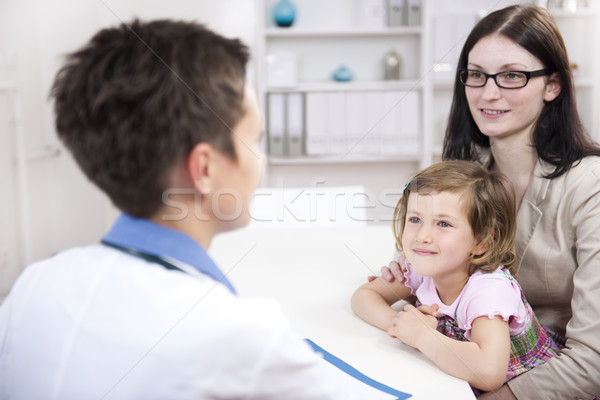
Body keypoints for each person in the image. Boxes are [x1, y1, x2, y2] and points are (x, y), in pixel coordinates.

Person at [0, 20, 376, 399]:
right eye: (255, 139)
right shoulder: (238, 336)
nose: (260, 159)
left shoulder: (33, 286)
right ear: (205, 169)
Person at [375, 4, 600, 399]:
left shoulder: (590, 188)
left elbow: (592, 363)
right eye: (477, 75)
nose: (488, 93)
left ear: (553, 85)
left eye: (512, 76)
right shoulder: (462, 175)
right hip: (457, 370)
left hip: (536, 383)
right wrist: (414, 273)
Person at [352, 160, 560, 393]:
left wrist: (422, 336)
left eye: (443, 223)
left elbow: (489, 373)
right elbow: (365, 296)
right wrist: (398, 324)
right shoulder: (427, 265)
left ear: (481, 241)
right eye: (415, 219)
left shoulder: (489, 291)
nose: (423, 236)